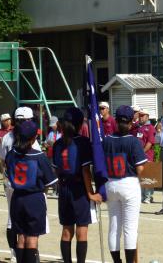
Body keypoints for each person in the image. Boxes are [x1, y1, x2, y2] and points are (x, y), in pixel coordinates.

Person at [53, 107, 102, 263]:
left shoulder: (58, 143)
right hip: (79, 189)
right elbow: (85, 170)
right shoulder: (82, 142)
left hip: (64, 187)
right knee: (82, 229)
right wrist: (90, 192)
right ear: (80, 124)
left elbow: (56, 170)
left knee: (67, 230)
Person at [5, 120, 58, 263]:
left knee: (21, 237)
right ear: (34, 138)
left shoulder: (11, 154)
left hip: (17, 198)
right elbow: (52, 182)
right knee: (32, 238)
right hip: (34, 199)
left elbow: (6, 172)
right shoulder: (39, 157)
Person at [0, 106, 43, 262]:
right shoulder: (31, 139)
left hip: (12, 183)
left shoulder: (7, 137)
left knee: (13, 220)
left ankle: (14, 253)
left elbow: (2, 160)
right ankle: (30, 254)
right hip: (29, 187)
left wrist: (6, 176)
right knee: (30, 227)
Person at [103, 105, 147, 263]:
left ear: (115, 120)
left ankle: (117, 261)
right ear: (130, 122)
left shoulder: (107, 140)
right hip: (128, 183)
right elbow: (140, 168)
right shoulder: (133, 141)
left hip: (110, 183)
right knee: (130, 227)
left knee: (114, 226)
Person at [135, 108, 156, 204]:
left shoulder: (150, 127)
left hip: (147, 155)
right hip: (138, 156)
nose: (140, 117)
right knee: (140, 177)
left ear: (147, 116)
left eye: (142, 115)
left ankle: (148, 196)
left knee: (148, 177)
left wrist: (142, 152)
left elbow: (150, 142)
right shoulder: (138, 127)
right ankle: (142, 196)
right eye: (140, 115)